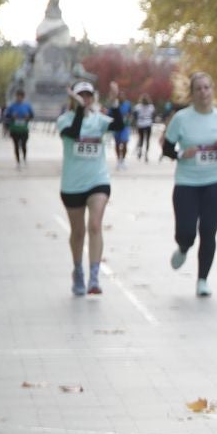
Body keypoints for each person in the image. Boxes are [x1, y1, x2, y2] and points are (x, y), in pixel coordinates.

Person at [159, 72, 217, 297]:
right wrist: (183, 153)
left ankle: (202, 279)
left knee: (208, 231)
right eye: (199, 89)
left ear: (212, 90)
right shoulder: (181, 118)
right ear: (192, 94)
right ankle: (183, 247)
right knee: (186, 231)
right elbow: (167, 148)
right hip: (187, 182)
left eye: (207, 88)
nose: (203, 92)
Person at [57, 81, 123, 296]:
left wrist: (114, 101)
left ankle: (94, 276)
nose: (84, 99)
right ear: (73, 99)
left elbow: (119, 125)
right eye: (80, 96)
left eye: (88, 95)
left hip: (98, 180)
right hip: (72, 184)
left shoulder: (99, 120)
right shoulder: (64, 121)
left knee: (94, 224)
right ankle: (78, 270)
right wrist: (78, 110)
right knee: (78, 232)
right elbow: (74, 132)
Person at [5, 89, 34, 168]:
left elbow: (32, 116)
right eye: (18, 96)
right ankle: (18, 161)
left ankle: (24, 158)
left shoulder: (27, 106)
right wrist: (12, 116)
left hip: (24, 129)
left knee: (24, 145)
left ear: (23, 97)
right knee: (16, 146)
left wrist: (28, 117)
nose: (19, 98)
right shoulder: (12, 106)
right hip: (15, 129)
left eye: (21, 97)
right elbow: (6, 116)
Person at [108, 84, 132, 166]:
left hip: (125, 127)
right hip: (117, 127)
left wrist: (128, 117)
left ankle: (123, 160)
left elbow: (130, 113)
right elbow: (110, 114)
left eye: (123, 96)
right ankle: (118, 160)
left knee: (124, 143)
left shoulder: (128, 104)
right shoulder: (115, 105)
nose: (121, 97)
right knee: (117, 143)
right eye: (120, 96)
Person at [133, 95, 157, 161]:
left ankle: (141, 150)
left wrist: (136, 122)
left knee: (141, 138)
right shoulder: (151, 107)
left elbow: (134, 115)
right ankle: (146, 153)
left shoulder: (138, 107)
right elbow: (154, 115)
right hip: (148, 123)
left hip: (141, 123)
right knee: (147, 139)